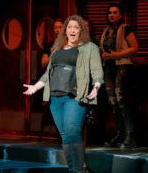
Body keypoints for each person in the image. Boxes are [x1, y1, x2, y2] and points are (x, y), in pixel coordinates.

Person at [23, 14, 104, 173]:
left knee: (73, 133)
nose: (72, 30)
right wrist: (35, 87)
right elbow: (48, 73)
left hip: (75, 96)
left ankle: (79, 170)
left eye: (76, 27)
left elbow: (97, 72)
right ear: (65, 30)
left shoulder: (90, 48)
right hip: (55, 96)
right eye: (70, 27)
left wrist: (95, 89)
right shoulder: (58, 47)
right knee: (66, 136)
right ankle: (73, 169)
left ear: (81, 30)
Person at [100, 3, 138, 148]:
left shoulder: (125, 28)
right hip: (109, 68)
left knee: (121, 100)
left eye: (115, 12)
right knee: (113, 102)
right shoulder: (105, 31)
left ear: (120, 14)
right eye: (109, 12)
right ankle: (119, 134)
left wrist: (116, 55)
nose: (112, 15)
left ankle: (130, 135)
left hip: (122, 66)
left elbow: (135, 48)